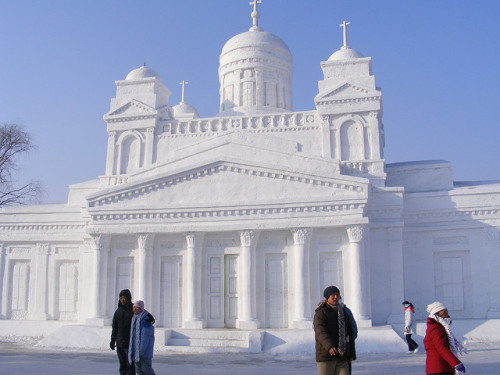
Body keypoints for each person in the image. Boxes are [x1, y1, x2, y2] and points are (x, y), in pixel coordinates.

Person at [314, 286, 356, 375]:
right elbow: (320, 331)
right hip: (326, 356)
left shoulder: (343, 312)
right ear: (327, 297)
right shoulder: (321, 313)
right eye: (333, 295)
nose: (336, 297)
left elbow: (349, 333)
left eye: (337, 294)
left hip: (342, 355)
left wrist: (351, 353)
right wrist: (329, 346)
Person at [424, 301, 467, 375]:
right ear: (436, 315)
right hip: (439, 369)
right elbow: (441, 348)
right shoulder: (436, 328)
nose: (447, 316)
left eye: (447, 313)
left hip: (440, 368)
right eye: (444, 314)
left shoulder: (438, 327)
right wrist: (456, 363)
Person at [110, 289, 135, 375]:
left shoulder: (133, 310)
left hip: (130, 343)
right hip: (120, 343)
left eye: (124, 297)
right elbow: (115, 327)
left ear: (128, 298)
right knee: (122, 365)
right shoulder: (118, 312)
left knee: (130, 365)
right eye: (121, 298)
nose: (122, 300)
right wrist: (113, 340)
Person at [128, 300, 156, 375]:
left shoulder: (146, 320)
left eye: (137, 308)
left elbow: (145, 337)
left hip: (144, 352)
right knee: (139, 371)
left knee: (146, 369)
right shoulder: (134, 318)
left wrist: (141, 349)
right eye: (134, 307)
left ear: (141, 308)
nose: (134, 309)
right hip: (135, 351)